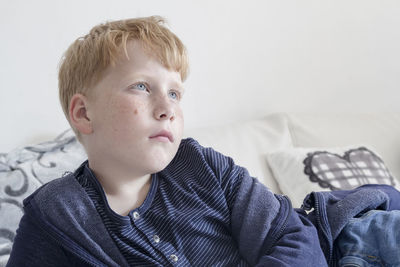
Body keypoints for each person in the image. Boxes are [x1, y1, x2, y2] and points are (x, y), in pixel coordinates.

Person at [7, 16, 327, 266]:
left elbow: (291, 235)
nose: (167, 109)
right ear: (84, 114)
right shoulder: (55, 216)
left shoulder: (203, 166)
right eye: (142, 87)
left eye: (174, 93)